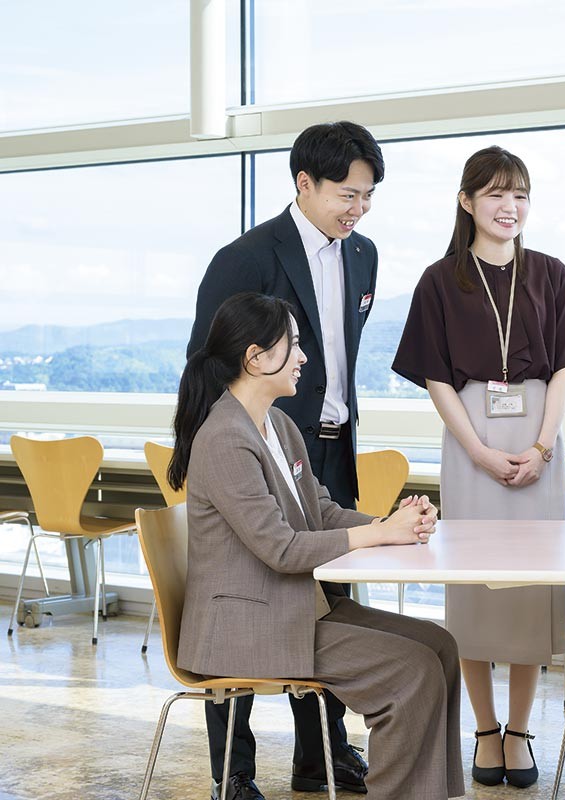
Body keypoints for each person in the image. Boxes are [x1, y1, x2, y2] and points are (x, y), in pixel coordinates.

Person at [171, 292, 463, 800]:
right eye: (295, 344)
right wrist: (379, 534)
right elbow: (280, 549)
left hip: (290, 607)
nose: (305, 357)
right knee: (410, 671)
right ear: (256, 357)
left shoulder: (278, 426)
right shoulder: (223, 438)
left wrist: (390, 522)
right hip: (246, 626)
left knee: (440, 647)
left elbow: (320, 512)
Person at [185, 122, 384, 797]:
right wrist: (234, 448)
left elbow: (340, 359)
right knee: (242, 596)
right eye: (346, 195)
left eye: (367, 197)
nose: (357, 210)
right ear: (304, 184)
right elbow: (207, 361)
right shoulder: (245, 256)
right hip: (256, 451)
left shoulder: (365, 257)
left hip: (328, 449)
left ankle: (322, 755)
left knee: (329, 600)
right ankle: (233, 775)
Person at [391, 145, 565, 789]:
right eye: (495, 194)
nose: (510, 207)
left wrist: (541, 447)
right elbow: (434, 375)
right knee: (475, 587)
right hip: (470, 437)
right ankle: (483, 728)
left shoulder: (552, 274)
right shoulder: (439, 279)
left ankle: (520, 728)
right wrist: (478, 449)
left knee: (531, 587)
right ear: (466, 201)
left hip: (539, 432)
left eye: (520, 195)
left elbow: (562, 369)